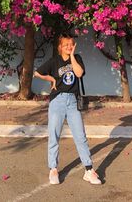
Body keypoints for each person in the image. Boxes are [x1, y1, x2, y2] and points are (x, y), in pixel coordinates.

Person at [34, 33, 101, 185]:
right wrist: (51, 79)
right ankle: (53, 169)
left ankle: (89, 170)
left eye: (71, 44)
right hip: (57, 100)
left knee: (80, 136)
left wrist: (71, 56)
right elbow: (37, 73)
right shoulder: (54, 61)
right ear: (60, 47)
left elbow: (79, 73)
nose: (69, 47)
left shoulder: (77, 59)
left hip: (72, 101)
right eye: (66, 45)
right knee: (54, 135)